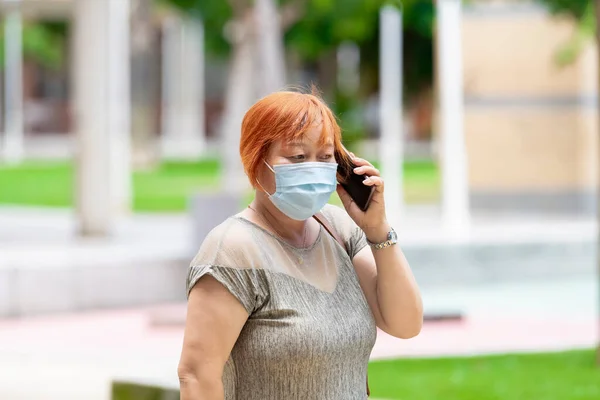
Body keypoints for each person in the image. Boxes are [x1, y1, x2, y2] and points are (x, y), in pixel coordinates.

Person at [178, 90, 423, 399]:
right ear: (256, 161)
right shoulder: (233, 248)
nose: (314, 167)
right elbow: (197, 376)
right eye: (297, 156)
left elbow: (405, 323)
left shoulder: (340, 230)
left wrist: (378, 231)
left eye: (325, 156)